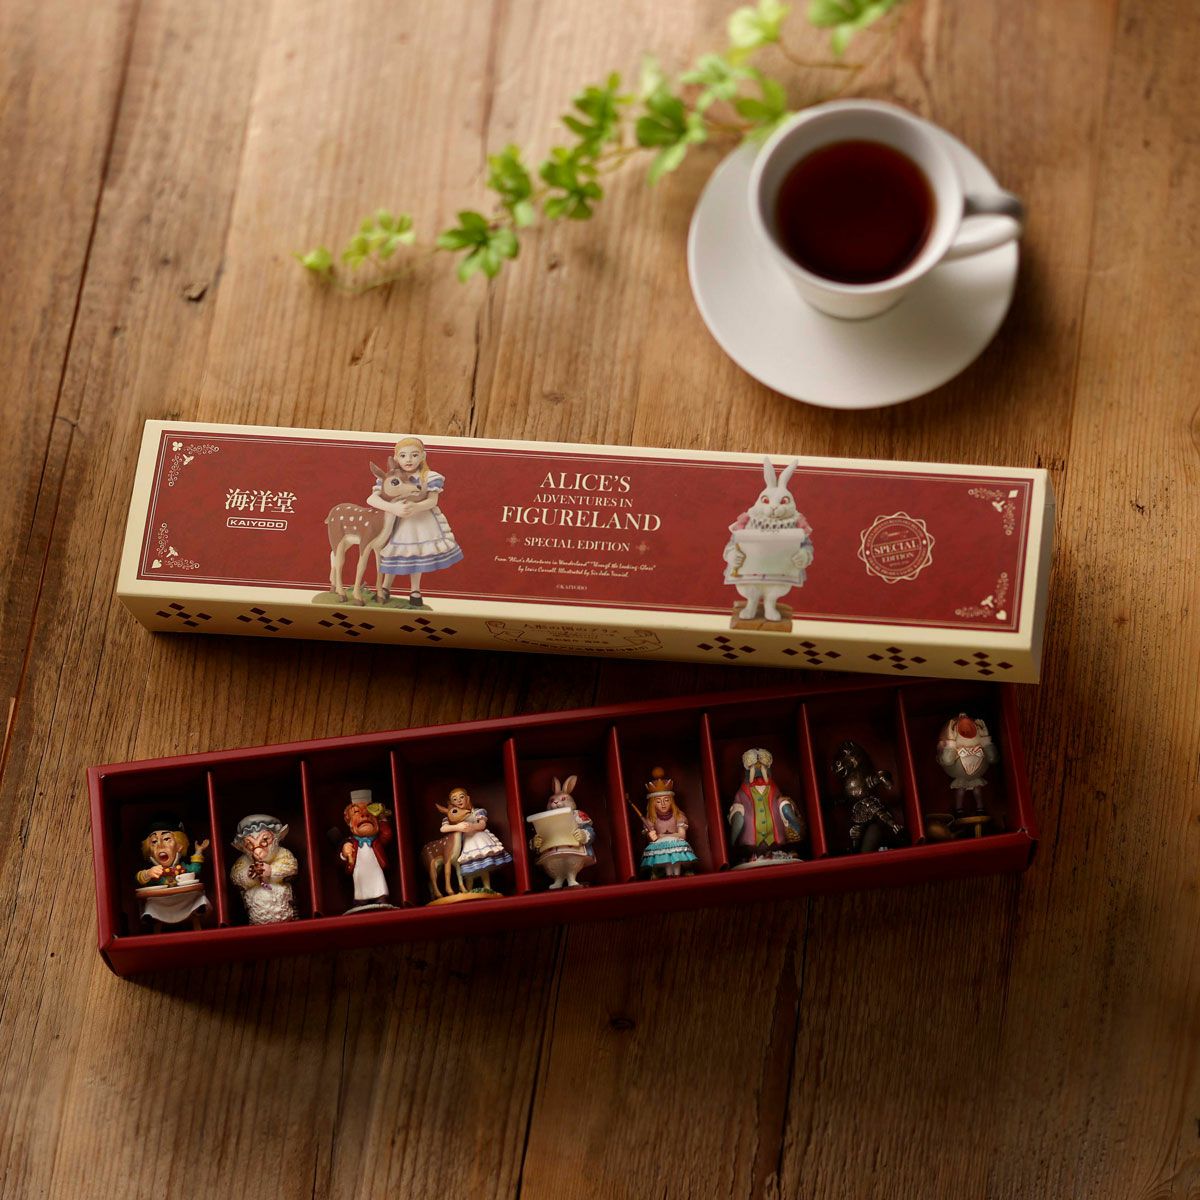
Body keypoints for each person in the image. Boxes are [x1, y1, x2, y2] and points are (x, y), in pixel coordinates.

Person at [366, 436, 463, 610]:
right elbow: (372, 499)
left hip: (420, 522)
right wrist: (392, 508)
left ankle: (415, 590)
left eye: (414, 455)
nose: (408, 459)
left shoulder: (428, 477)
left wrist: (416, 506)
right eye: (403, 455)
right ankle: (386, 587)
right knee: (392, 553)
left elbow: (432, 501)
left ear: (423, 456)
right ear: (396, 458)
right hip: (396, 521)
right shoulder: (391, 477)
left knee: (417, 554)